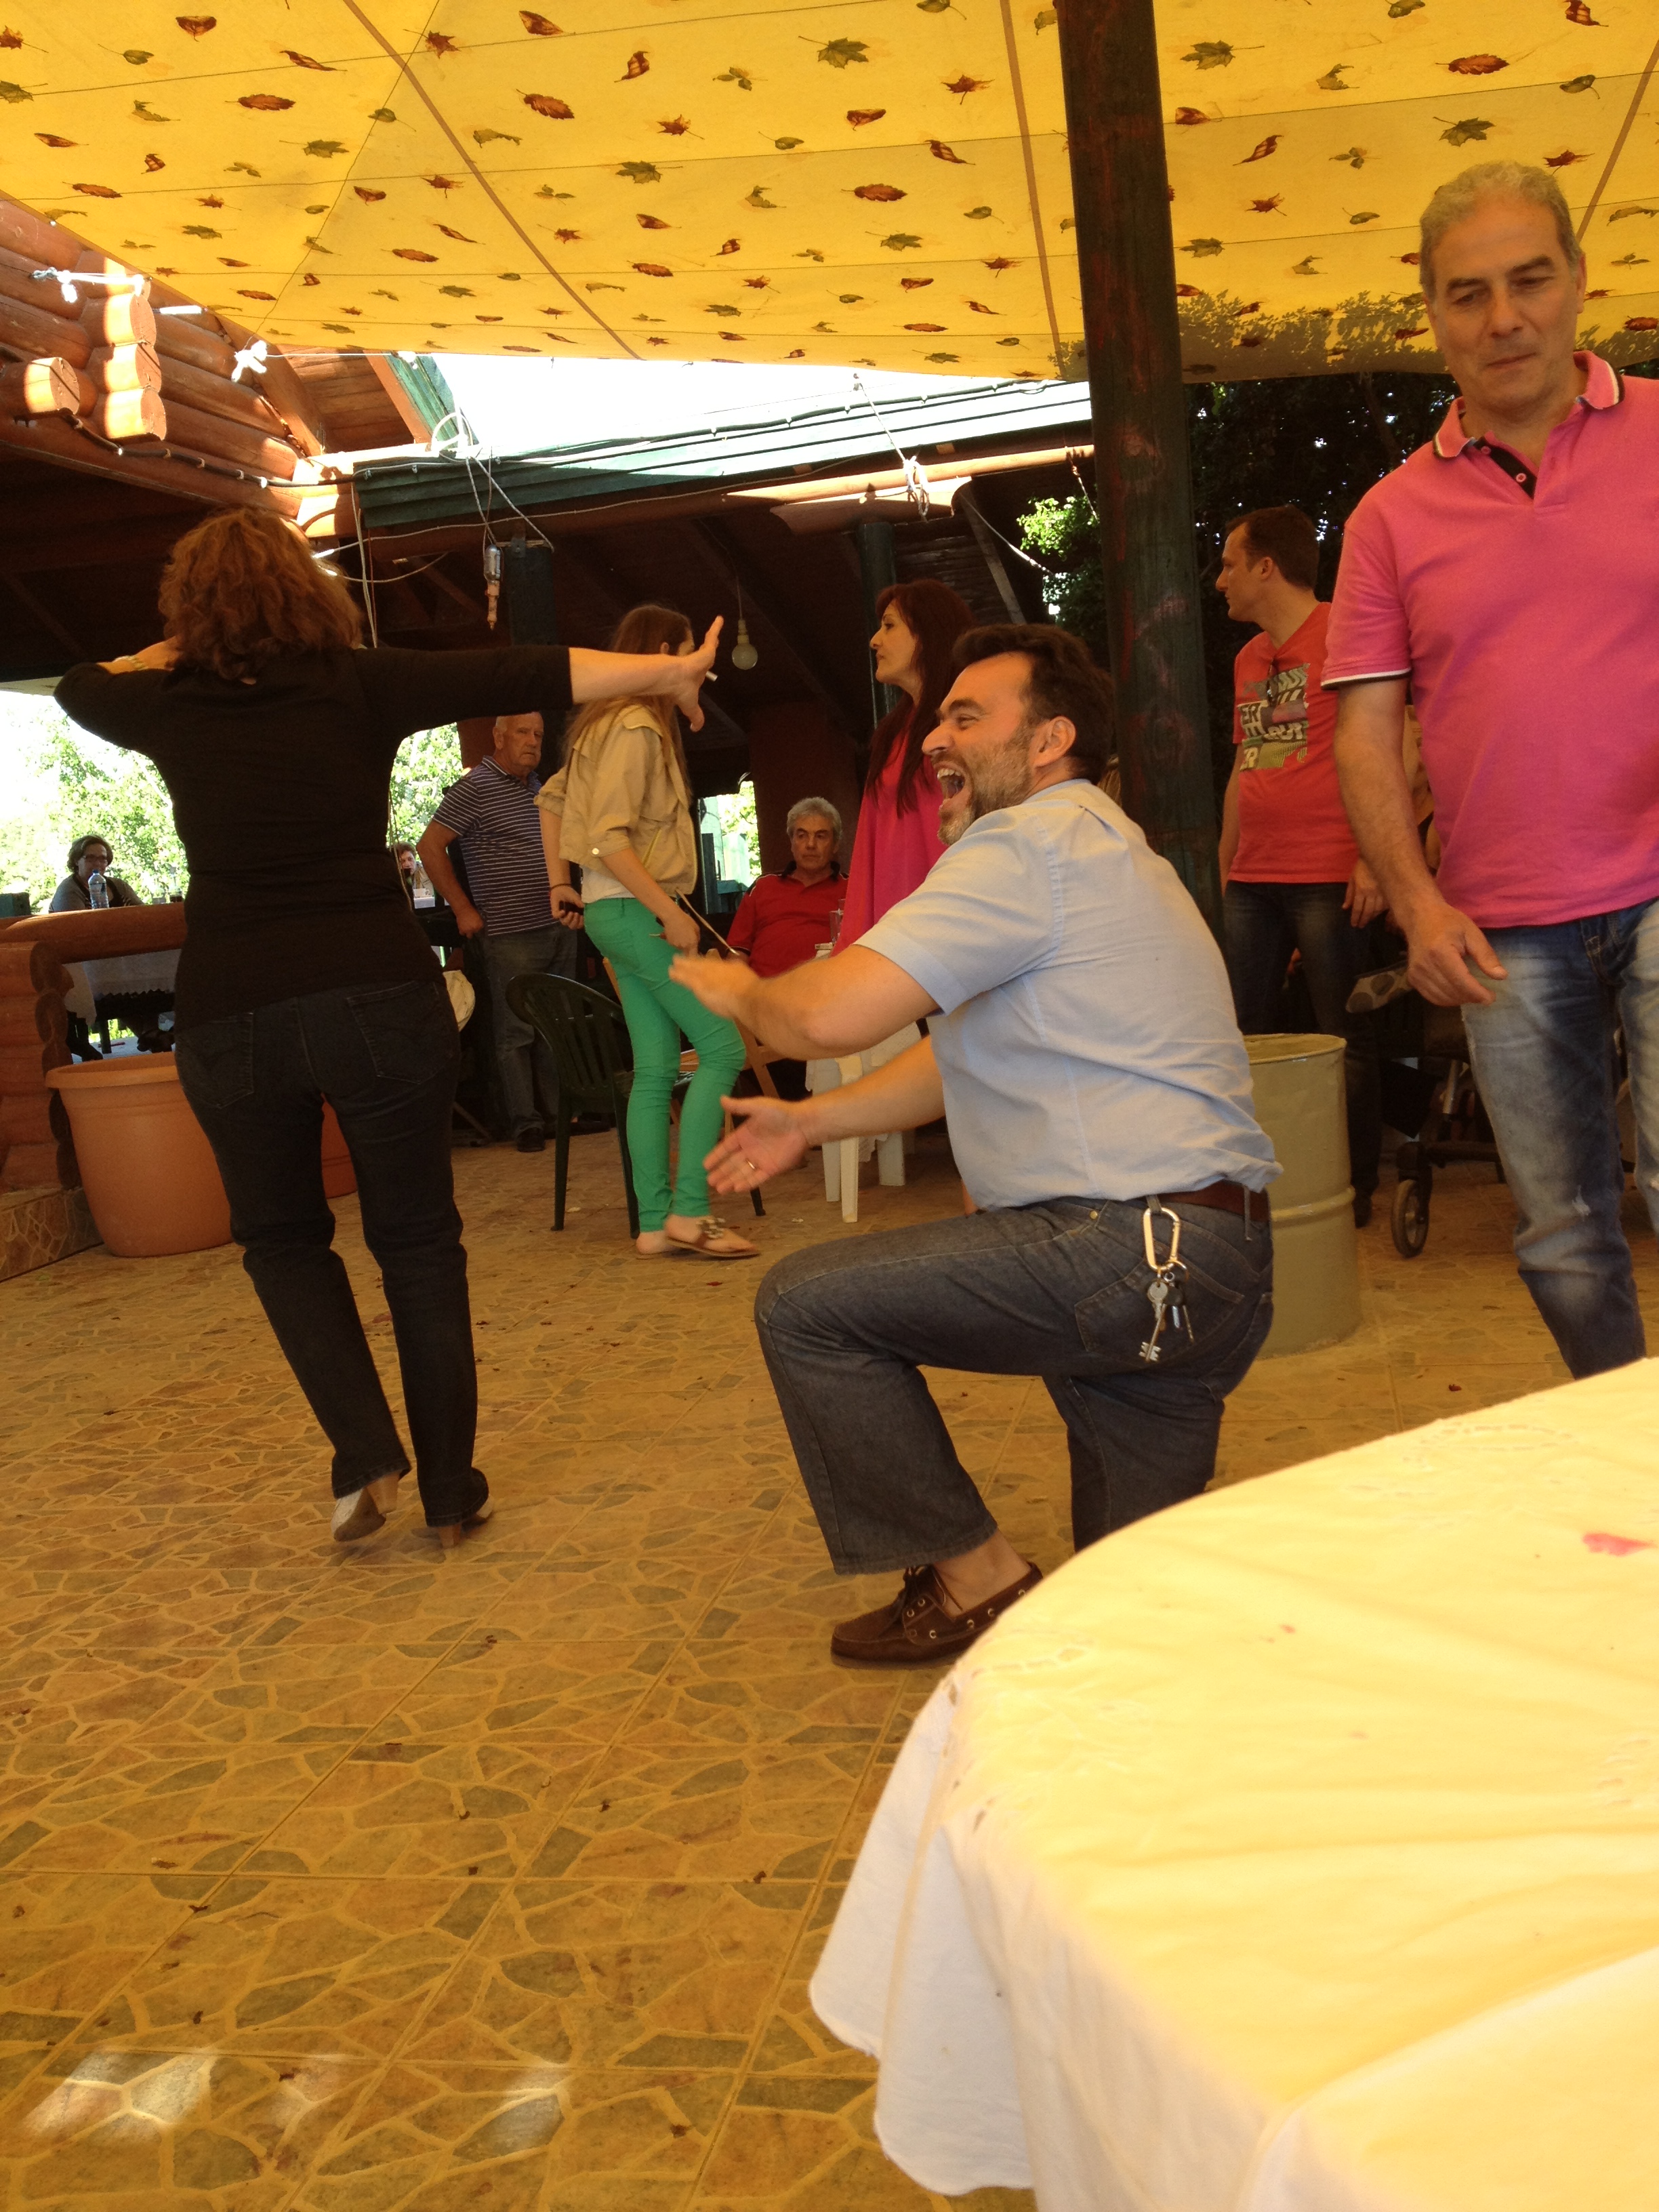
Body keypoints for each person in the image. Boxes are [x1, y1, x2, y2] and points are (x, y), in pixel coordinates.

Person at [54, 508, 720, 1545]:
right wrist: (664, 673)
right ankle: (450, 1490)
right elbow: (527, 668)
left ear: (189, 609)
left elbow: (79, 684)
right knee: (416, 1242)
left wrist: (177, 648)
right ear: (309, 595)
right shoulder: (359, 681)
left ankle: (366, 1454)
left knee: (283, 1243)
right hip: (375, 991)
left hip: (234, 1007)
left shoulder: (168, 700)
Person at [672, 623, 1279, 1664]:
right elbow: (956, 1056)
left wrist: (747, 993)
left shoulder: (1026, 844)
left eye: (966, 717)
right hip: (1209, 1266)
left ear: (1048, 742)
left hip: (1129, 1251)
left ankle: (977, 1579)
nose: (933, 740)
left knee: (810, 1307)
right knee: (1131, 1622)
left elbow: (826, 1016)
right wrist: (809, 1121)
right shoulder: (1102, 849)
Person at [1328, 159, 1659, 1380]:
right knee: (1561, 1241)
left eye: (1529, 280)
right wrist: (1415, 905)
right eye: (1468, 293)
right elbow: (1364, 732)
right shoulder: (1388, 518)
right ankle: (1627, 1440)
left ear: (1578, 280)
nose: (1503, 316)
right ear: (1432, 311)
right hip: (1497, 924)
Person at [537, 602, 755, 1261]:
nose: (700, 671)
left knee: (656, 1069)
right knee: (723, 1050)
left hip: (611, 914)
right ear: (664, 654)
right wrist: (670, 913)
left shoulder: (602, 723)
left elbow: (551, 800)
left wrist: (561, 883)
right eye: (690, 655)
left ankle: (656, 1224)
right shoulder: (634, 725)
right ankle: (689, 1212)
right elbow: (608, 838)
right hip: (637, 912)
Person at [1216, 505, 1384, 1224]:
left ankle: (1352, 1190)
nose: (1220, 579)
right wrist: (1226, 863)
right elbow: (1245, 763)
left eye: (1230, 564)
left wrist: (1375, 859)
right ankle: (1257, 1187)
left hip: (1328, 870)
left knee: (1343, 1035)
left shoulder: (1345, 630)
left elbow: (1387, 746)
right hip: (1254, 877)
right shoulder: (1247, 660)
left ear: (1266, 566)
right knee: (1240, 1034)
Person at [417, 711, 580, 1154]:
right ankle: (525, 1123)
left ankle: (559, 1117)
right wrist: (462, 908)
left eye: (539, 734)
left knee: (555, 1026)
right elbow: (429, 846)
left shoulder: (539, 788)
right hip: (510, 932)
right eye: (523, 733)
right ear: (498, 737)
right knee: (516, 1031)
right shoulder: (476, 787)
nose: (533, 742)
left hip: (558, 925)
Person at [836, 579, 975, 945]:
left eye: (889, 625)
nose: (874, 640)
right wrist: (854, 946)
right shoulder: (893, 734)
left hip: (955, 925)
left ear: (928, 634)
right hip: (894, 931)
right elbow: (867, 850)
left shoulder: (971, 726)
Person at [726, 798, 844, 1101]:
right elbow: (737, 954)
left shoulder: (853, 889)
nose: (810, 844)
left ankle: (810, 1110)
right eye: (802, 835)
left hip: (826, 1006)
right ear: (791, 843)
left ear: (835, 845)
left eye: (821, 836)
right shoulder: (764, 888)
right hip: (766, 1010)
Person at [49, 835, 142, 913]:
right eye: (90, 858)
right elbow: (77, 926)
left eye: (103, 859)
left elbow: (144, 914)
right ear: (76, 861)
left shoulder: (119, 886)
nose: (98, 863)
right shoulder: (68, 891)